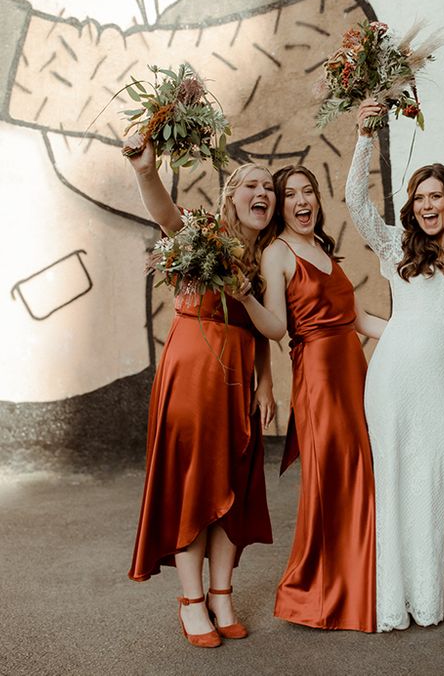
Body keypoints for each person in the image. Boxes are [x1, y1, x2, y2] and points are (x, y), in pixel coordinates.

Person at [124, 134, 285, 648]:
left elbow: (261, 330)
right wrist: (145, 172)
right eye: (252, 184)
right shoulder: (205, 233)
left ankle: (221, 594)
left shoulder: (266, 255)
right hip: (195, 367)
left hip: (238, 375)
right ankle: (191, 601)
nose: (263, 192)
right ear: (230, 195)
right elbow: (166, 216)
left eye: (269, 187)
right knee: (196, 484)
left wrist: (265, 384)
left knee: (230, 485)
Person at [345, 101, 444, 631]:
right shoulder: (396, 245)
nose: (427, 205)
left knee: (435, 481)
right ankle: (391, 595)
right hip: (393, 378)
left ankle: (427, 591)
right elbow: (356, 202)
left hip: (442, 384)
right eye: (419, 197)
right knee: (395, 477)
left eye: (435, 197)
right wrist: (363, 134)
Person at [262, 164, 383, 633]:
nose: (301, 201)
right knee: (333, 474)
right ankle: (319, 592)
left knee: (361, 472)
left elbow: (358, 321)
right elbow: (275, 327)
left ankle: (362, 579)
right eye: (290, 194)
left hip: (353, 369)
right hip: (318, 375)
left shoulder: (325, 251)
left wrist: (422, 334)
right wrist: (263, 382)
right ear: (280, 205)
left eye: (307, 191)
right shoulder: (277, 253)